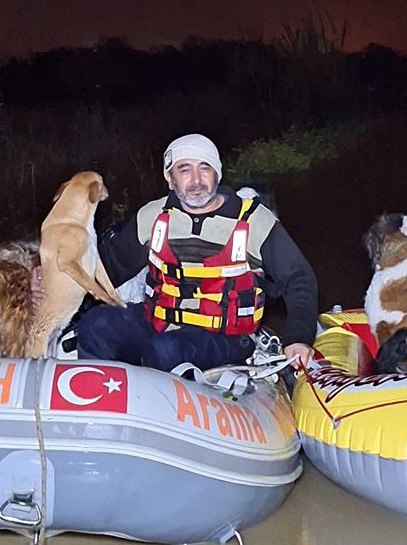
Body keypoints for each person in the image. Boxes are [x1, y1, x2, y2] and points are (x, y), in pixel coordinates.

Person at [73, 134, 318, 373]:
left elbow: (299, 278)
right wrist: (49, 281)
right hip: (160, 323)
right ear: (171, 179)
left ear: (216, 175)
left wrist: (297, 337)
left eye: (205, 168)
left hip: (226, 337)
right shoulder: (153, 215)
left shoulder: (254, 220)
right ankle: (95, 404)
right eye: (184, 169)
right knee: (97, 324)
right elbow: (105, 267)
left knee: (166, 351)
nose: (197, 180)